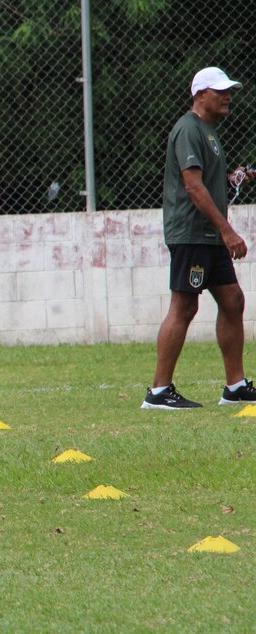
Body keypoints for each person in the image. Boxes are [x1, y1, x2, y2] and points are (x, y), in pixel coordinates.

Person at [142, 67, 256, 410]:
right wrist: (227, 230)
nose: (227, 96)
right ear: (200, 95)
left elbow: (205, 179)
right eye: (220, 90)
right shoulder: (188, 129)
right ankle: (159, 393)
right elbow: (193, 186)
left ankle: (235, 387)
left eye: (229, 90)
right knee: (185, 305)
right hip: (194, 234)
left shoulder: (208, 132)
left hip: (208, 236)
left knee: (233, 299)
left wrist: (236, 176)